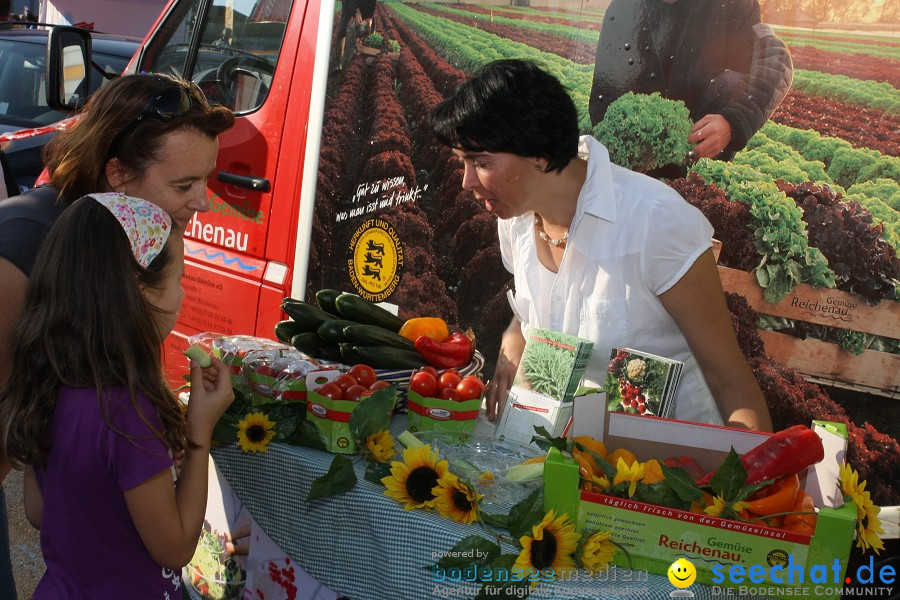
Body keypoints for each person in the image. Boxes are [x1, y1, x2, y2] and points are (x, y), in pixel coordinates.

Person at [430, 59, 772, 431]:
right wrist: (514, 342)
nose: (466, 182)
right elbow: (539, 311)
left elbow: (730, 381)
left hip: (665, 470)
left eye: (480, 162)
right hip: (567, 452)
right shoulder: (515, 218)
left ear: (539, 155)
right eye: (463, 162)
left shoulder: (656, 223)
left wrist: (750, 476)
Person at [0, 73, 235, 589]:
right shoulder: (20, 250)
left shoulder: (66, 368)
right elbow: (172, 546)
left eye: (207, 178)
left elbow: (42, 506)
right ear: (118, 174)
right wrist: (194, 434)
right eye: (183, 185)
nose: (204, 201)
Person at [588, 0, 792, 162]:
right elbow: (603, 96)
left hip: (698, 148)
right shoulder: (623, 9)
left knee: (731, 82)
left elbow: (775, 60)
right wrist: (626, 150)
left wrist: (733, 122)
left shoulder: (730, 6)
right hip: (638, 154)